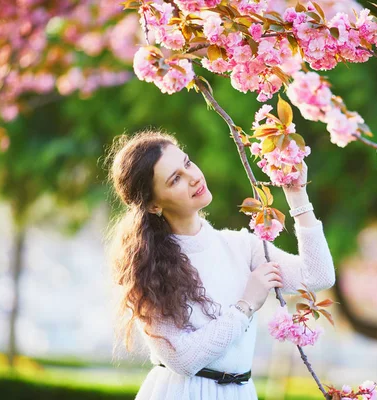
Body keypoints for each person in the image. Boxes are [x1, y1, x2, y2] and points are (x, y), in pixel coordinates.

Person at [107, 129, 335, 400]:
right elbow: (183, 360)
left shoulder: (241, 246)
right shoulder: (148, 268)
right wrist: (245, 306)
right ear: (154, 205)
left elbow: (317, 276)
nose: (193, 177)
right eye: (175, 179)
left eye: (188, 163)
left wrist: (298, 198)